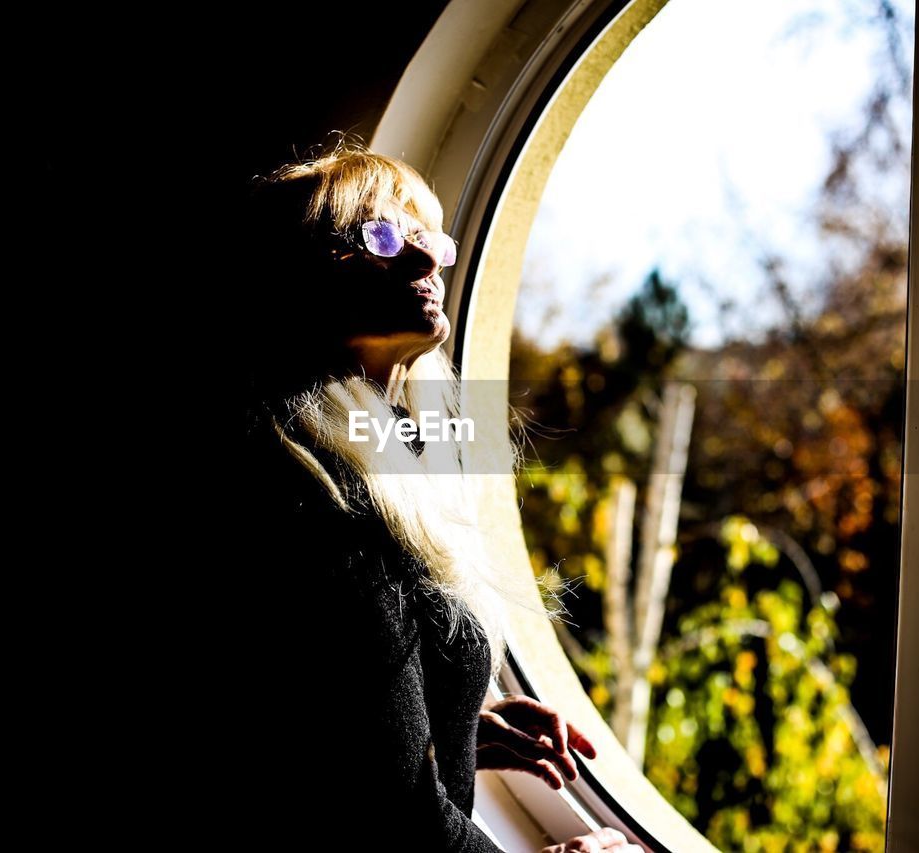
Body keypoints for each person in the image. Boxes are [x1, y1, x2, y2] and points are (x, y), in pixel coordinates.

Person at [238, 142, 641, 852]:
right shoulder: (319, 501)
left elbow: (320, 727)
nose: (426, 263)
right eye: (381, 237)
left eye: (426, 239)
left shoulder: (372, 468)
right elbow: (396, 826)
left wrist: (453, 724)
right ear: (299, 281)